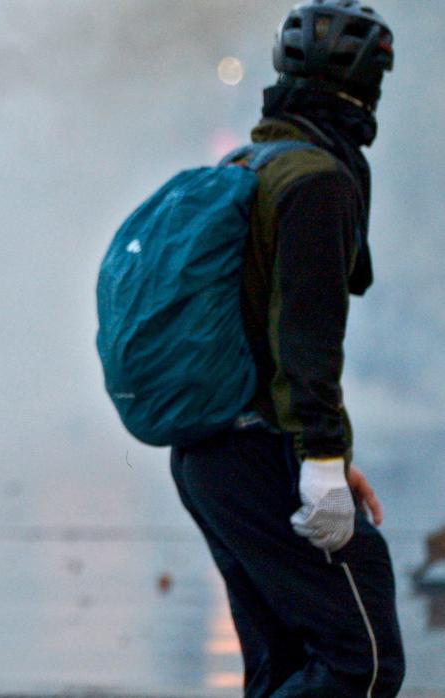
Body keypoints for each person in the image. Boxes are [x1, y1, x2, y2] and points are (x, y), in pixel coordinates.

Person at [169, 1, 403, 695]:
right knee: (360, 662)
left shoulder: (251, 161)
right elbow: (304, 337)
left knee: (284, 666)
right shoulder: (317, 180)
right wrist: (322, 461)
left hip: (209, 457)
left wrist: (325, 455)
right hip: (256, 450)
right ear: (366, 85)